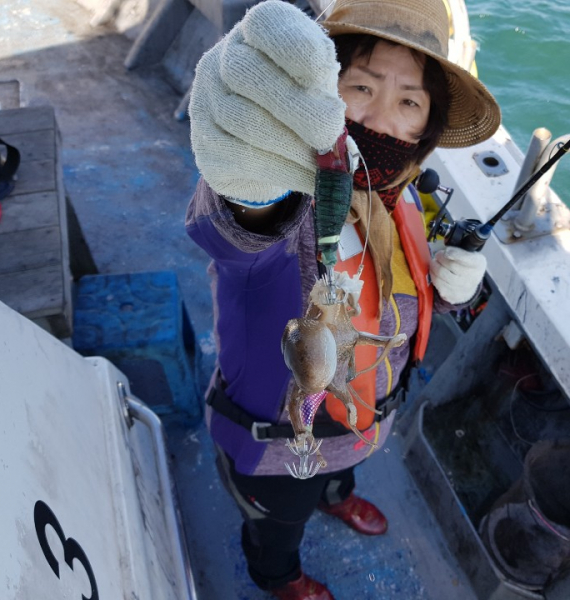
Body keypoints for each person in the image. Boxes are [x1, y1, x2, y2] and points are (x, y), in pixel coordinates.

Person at [185, 0, 500, 598]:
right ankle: (278, 575)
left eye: (410, 101)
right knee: (277, 524)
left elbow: (405, 301)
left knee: (337, 477)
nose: (382, 119)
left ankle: (338, 494)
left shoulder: (400, 196)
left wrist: (459, 289)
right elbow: (241, 228)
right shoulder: (290, 195)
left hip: (362, 426)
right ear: (322, 89)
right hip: (279, 448)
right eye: (361, 86)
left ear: (426, 127)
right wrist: (245, 185)